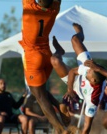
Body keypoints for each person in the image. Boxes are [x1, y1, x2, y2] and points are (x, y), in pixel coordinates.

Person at [18, 0, 70, 133]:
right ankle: (59, 105)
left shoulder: (31, 6)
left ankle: (60, 128)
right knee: (39, 92)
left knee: (39, 97)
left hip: (33, 57)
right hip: (46, 54)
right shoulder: (54, 9)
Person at [50, 23, 106, 134]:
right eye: (89, 69)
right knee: (75, 39)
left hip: (77, 85)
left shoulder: (93, 100)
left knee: (54, 60)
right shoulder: (89, 69)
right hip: (75, 80)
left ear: (93, 81)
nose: (88, 70)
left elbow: (87, 126)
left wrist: (72, 89)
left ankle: (59, 52)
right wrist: (69, 90)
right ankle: (81, 33)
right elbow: (72, 71)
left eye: (89, 71)